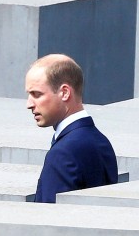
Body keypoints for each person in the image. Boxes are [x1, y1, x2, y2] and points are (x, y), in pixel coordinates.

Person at [25, 54, 118, 203]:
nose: (29, 104)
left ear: (65, 92)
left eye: (37, 94)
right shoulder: (101, 142)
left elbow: (47, 221)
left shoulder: (63, 153)